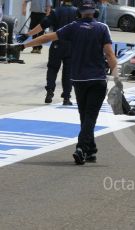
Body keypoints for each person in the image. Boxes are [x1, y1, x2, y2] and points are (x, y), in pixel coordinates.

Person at [18, 0, 117, 165]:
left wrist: (25, 45)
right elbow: (109, 54)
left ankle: (89, 150)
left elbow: (47, 37)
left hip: (79, 80)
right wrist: (117, 78)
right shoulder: (102, 28)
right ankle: (81, 148)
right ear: (95, 12)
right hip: (98, 79)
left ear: (79, 12)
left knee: (84, 116)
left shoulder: (73, 27)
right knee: (90, 117)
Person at [17, 0, 77, 105]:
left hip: (57, 44)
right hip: (72, 46)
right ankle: (66, 97)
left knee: (53, 69)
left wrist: (27, 35)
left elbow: (42, 26)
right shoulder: (77, 12)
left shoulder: (56, 11)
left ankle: (50, 91)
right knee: (68, 72)